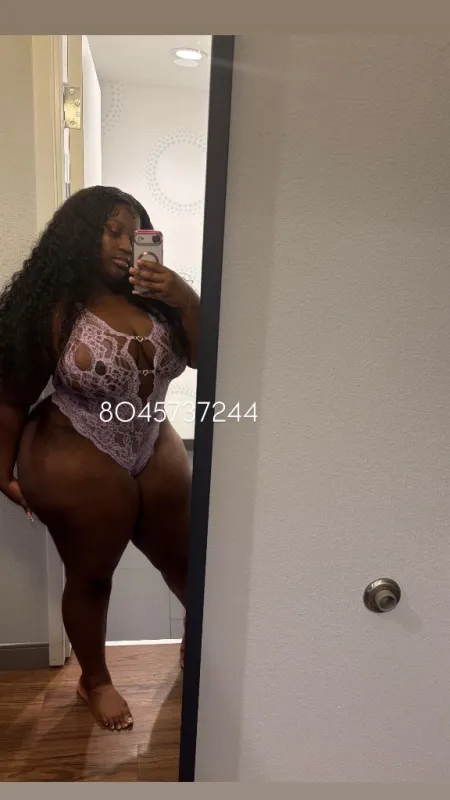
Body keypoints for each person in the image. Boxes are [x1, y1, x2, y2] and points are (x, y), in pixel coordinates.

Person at [0, 186, 199, 732]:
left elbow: (207, 359)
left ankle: (198, 633)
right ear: (81, 236)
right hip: (77, 440)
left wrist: (186, 298)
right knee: (92, 575)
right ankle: (95, 679)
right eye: (112, 232)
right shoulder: (53, 306)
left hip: (151, 436)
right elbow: (12, 398)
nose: (125, 244)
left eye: (134, 233)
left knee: (188, 562)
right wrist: (2, 471)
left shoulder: (159, 298)